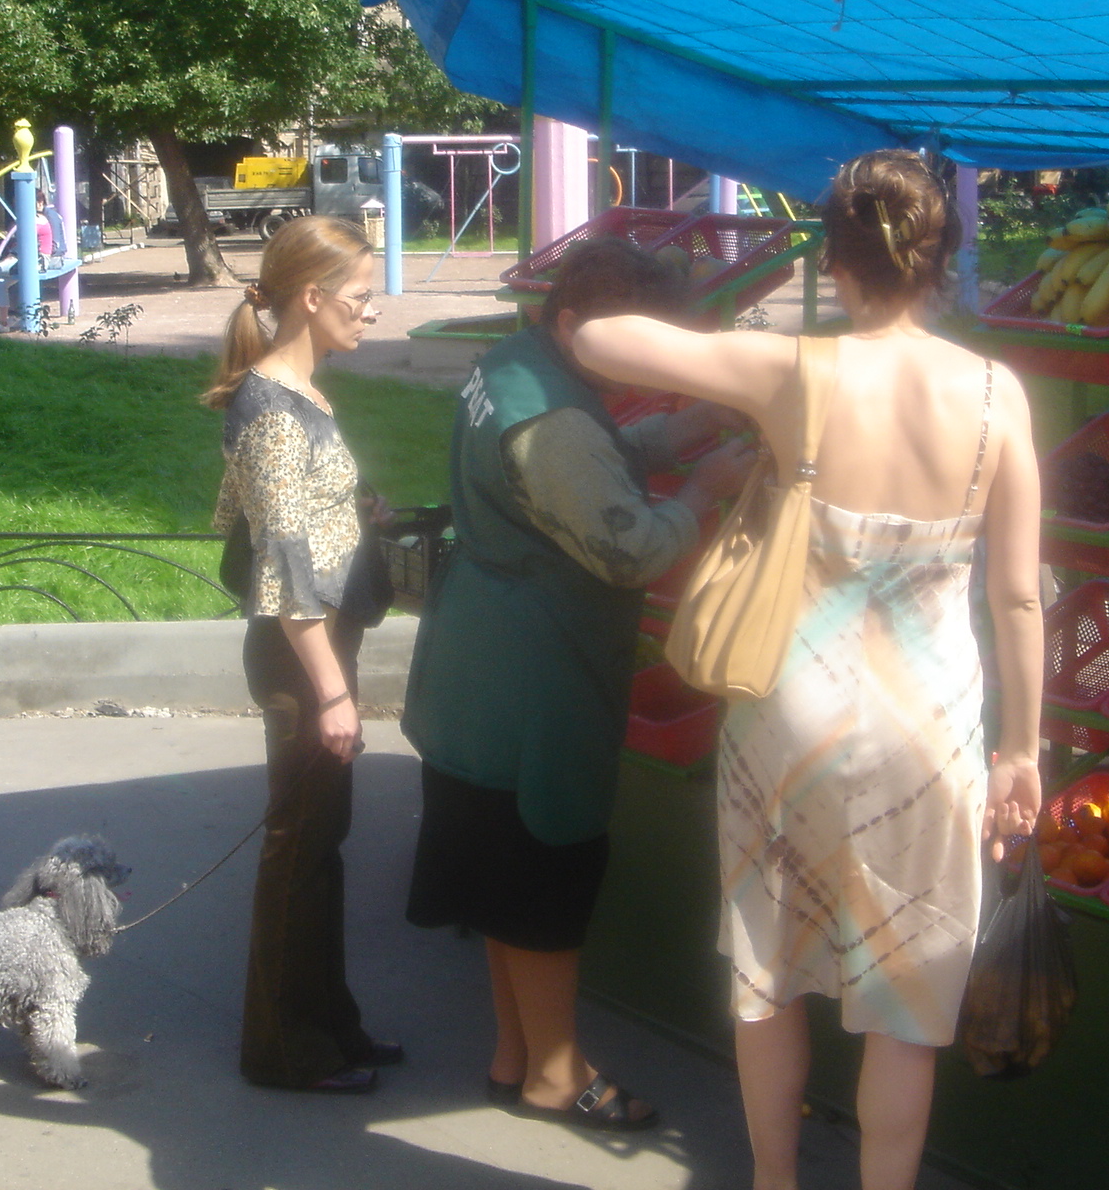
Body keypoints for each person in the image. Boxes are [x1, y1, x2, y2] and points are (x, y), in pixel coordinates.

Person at [571, 152, 1044, 1190]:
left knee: (769, 976)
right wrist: (1021, 751)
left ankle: (774, 1181)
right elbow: (1017, 598)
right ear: (940, 258)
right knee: (905, 1004)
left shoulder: (792, 370)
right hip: (928, 726)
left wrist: (711, 325)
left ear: (834, 259)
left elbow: (595, 337)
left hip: (789, 717)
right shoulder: (996, 395)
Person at [404, 238, 756, 1133]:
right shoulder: (552, 421)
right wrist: (703, 490)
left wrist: (670, 434)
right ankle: (558, 1076)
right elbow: (628, 548)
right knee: (542, 877)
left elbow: (574, 470)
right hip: (535, 676)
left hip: (477, 669)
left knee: (498, 873)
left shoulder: (516, 361)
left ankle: (515, 1057)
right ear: (575, 324)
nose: (648, 361)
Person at [207, 215, 399, 1095]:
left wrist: (353, 512)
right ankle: (285, 1050)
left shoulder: (296, 393)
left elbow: (248, 515)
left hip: (316, 645)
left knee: (322, 847)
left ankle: (332, 1026)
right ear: (313, 298)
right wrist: (331, 694)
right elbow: (281, 564)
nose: (374, 310)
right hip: (302, 658)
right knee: (298, 853)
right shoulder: (275, 411)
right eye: (362, 296)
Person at [0, 186, 56, 326]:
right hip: (25, 257)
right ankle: (3, 323)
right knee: (0, 283)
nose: (41, 203)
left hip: (37, 260)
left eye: (41, 200)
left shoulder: (35, 220)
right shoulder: (30, 219)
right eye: (38, 200)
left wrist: (12, 256)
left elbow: (28, 245)